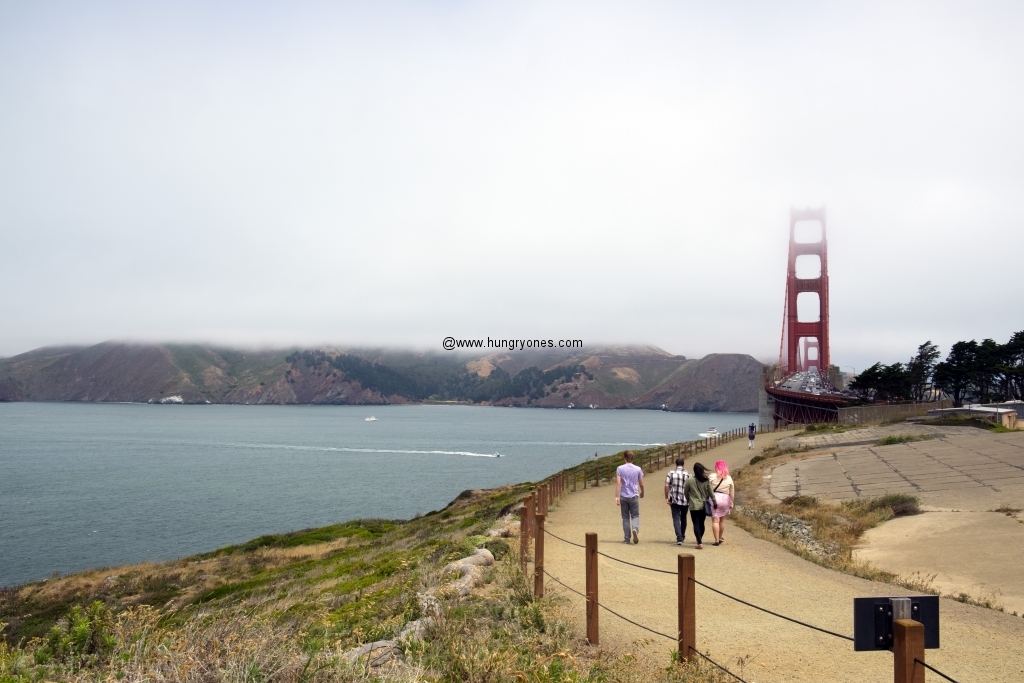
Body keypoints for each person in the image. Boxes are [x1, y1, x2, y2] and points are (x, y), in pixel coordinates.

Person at [615, 450, 645, 544]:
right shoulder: (638, 469)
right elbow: (641, 483)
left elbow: (618, 483)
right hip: (634, 495)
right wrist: (642, 492)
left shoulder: (620, 468)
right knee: (635, 515)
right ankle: (635, 528)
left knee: (625, 517)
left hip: (623, 495)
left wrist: (617, 496)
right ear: (632, 458)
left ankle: (627, 538)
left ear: (624, 458)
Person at [684, 462, 714, 549]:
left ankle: (699, 542)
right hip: (703, 504)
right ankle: (700, 539)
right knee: (702, 523)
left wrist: (688, 499)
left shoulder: (690, 480)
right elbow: (711, 492)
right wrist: (714, 502)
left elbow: (686, 492)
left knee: (696, 523)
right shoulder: (706, 480)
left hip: (694, 505)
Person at [664, 458, 690, 545]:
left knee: (676, 518)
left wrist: (666, 497)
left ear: (676, 464)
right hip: (685, 499)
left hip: (674, 498)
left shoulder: (670, 473)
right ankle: (682, 535)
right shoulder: (688, 474)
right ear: (683, 464)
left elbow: (667, 485)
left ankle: (679, 537)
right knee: (683, 518)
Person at [708, 460, 734, 546]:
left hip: (715, 499)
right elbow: (732, 491)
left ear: (716, 467)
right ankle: (720, 537)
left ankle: (716, 541)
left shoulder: (712, 476)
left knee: (715, 521)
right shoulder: (729, 478)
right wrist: (731, 502)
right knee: (722, 521)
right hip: (725, 499)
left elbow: (707, 487)